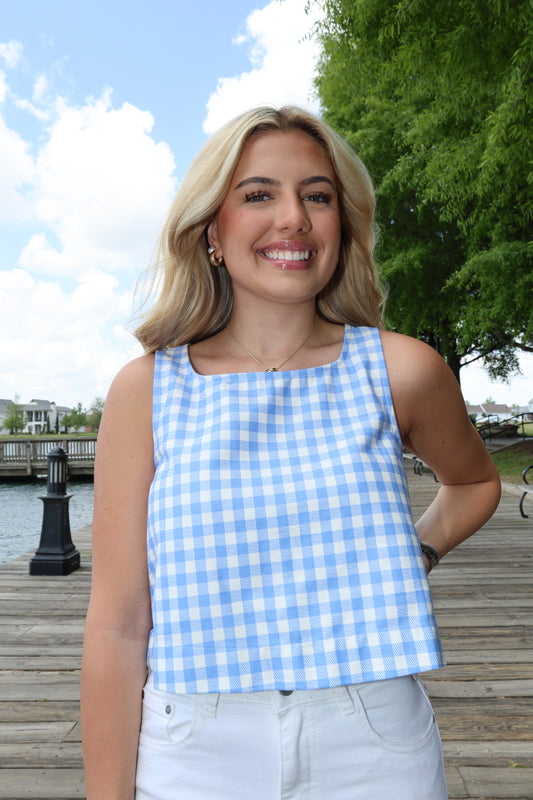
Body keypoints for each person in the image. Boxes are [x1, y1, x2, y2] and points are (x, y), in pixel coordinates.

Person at [81, 106, 501, 800]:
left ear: (342, 223)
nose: (294, 219)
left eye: (316, 195)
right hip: (192, 744)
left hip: (373, 741)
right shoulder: (146, 390)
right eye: (257, 195)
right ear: (212, 231)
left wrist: (415, 550)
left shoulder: (402, 369)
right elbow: (119, 624)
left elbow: (474, 481)